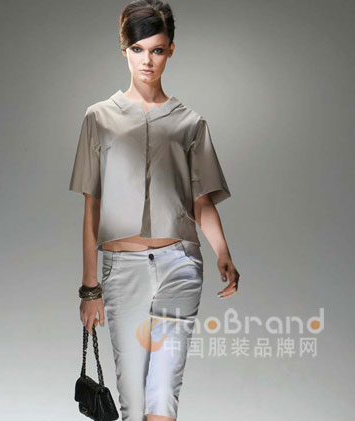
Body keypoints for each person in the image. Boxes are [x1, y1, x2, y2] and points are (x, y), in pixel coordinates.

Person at [69, 1, 240, 420]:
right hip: (121, 270)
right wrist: (90, 287)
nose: (147, 60)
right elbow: (92, 205)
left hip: (179, 265)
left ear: (170, 51)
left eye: (157, 50)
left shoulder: (190, 123)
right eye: (138, 49)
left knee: (163, 395)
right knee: (132, 396)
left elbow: (200, 200)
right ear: (124, 50)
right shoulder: (99, 118)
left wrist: (222, 252)